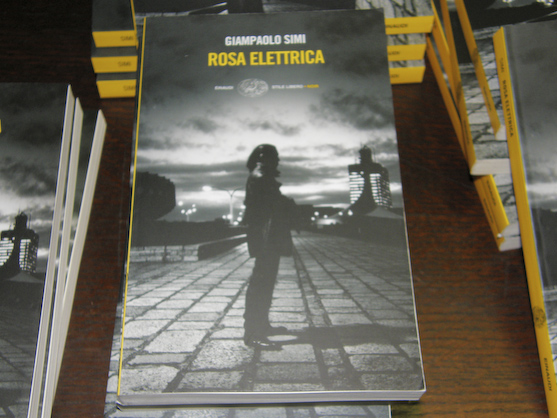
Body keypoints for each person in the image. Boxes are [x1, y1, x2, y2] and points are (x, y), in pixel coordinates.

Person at [242, 144, 297, 349]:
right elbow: (269, 205)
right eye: (275, 157)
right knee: (261, 282)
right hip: (266, 235)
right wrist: (288, 204)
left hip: (268, 234)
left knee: (266, 281)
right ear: (265, 158)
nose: (278, 161)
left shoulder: (261, 176)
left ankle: (262, 325)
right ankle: (253, 333)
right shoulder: (260, 176)